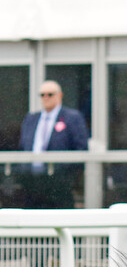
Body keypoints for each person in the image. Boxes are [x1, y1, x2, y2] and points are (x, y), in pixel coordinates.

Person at [18, 80, 89, 208]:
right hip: (32, 181)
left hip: (59, 183)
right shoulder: (31, 118)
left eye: (50, 94)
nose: (46, 98)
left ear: (59, 95)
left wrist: (66, 176)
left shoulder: (72, 118)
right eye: (42, 95)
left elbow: (81, 148)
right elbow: (23, 146)